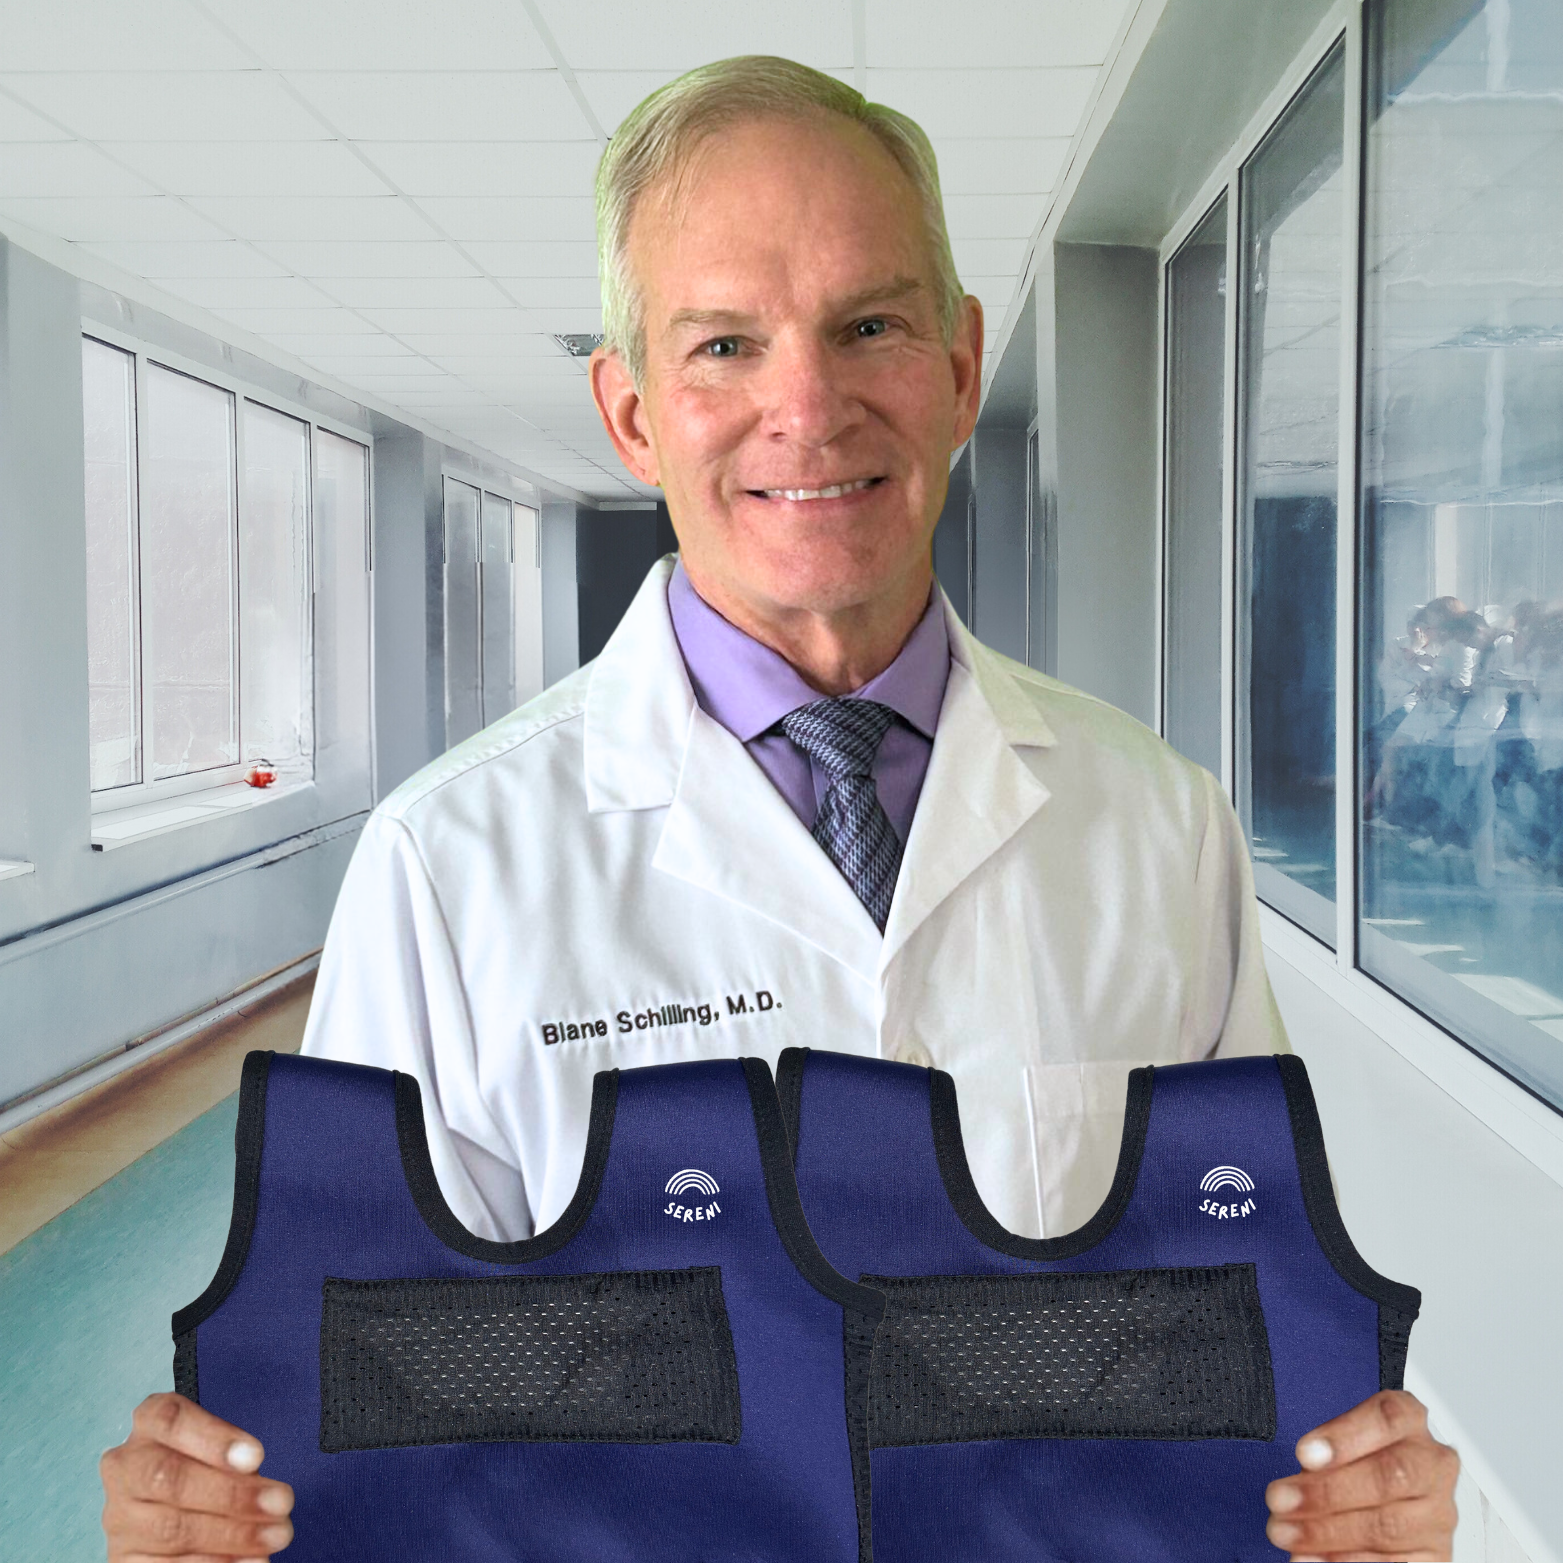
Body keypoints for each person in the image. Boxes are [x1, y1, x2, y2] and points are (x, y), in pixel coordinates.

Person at [101, 56, 1459, 1563]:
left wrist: (1352, 1497)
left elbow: (1240, 1328)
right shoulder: (452, 863)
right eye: (725, 345)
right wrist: (229, 1516)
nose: (804, 407)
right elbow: (376, 1408)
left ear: (956, 363)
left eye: (867, 324)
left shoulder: (1154, 826)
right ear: (630, 414)